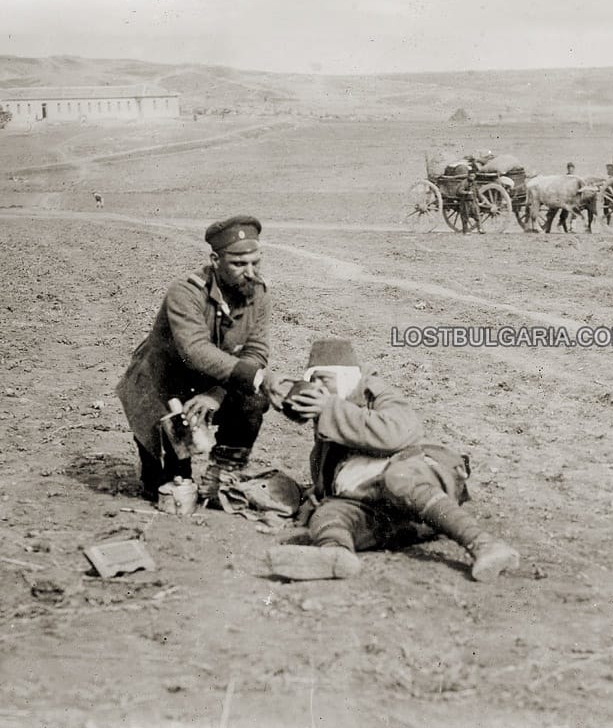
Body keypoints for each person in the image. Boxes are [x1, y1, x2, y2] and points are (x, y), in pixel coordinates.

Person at [265, 339, 520, 582]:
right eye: (313, 380)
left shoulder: (375, 392)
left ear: (345, 378)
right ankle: (334, 554)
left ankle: (485, 544)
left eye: (324, 379)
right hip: (385, 511)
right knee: (329, 512)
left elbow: (396, 433)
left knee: (398, 478)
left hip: (417, 487)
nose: (319, 387)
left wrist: (329, 408)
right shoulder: (331, 409)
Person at [116, 216, 287, 501]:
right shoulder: (185, 292)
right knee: (165, 487)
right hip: (161, 387)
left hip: (209, 384)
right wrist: (259, 377)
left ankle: (222, 474)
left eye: (256, 262)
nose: (250, 272)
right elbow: (195, 350)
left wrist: (217, 394)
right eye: (239, 264)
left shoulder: (258, 293)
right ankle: (157, 464)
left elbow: (255, 351)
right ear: (215, 259)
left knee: (253, 399)